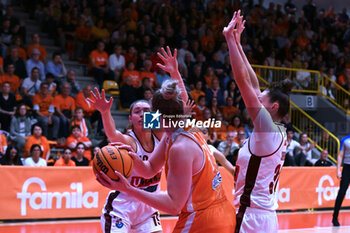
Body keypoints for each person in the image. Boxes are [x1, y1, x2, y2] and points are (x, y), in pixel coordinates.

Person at [94, 47, 236, 232]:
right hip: (221, 211)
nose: (146, 116)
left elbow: (173, 205)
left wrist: (127, 188)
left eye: (149, 112)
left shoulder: (179, 147)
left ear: (157, 115)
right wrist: (175, 73)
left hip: (202, 219)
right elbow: (149, 170)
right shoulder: (184, 127)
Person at [88, 47, 195, 233]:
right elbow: (112, 134)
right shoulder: (129, 141)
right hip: (122, 206)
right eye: (137, 112)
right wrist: (105, 112)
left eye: (147, 112)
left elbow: (181, 110)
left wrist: (175, 73)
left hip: (148, 207)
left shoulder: (161, 135)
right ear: (131, 119)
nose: (142, 115)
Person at [223, 11, 291, 232]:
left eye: (263, 98)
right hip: (264, 217)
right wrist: (238, 44)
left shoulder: (267, 130)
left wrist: (228, 41)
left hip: (250, 217)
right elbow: (252, 84)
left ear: (274, 107)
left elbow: (243, 84)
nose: (258, 96)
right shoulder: (277, 130)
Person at [332, 135, 350, 226]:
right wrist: (338, 169)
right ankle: (335, 217)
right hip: (347, 168)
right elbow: (340, 155)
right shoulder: (345, 140)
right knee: (342, 192)